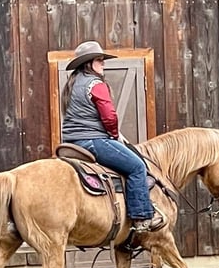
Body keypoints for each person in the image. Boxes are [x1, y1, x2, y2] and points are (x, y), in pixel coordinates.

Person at [61, 40, 165, 233]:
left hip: (71, 142)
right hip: (93, 140)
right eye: (99, 60)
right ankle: (142, 217)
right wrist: (114, 135)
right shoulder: (96, 84)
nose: (103, 64)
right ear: (88, 63)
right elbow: (109, 116)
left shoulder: (72, 85)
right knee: (137, 167)